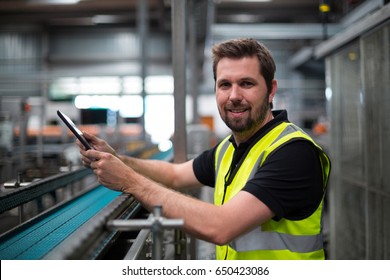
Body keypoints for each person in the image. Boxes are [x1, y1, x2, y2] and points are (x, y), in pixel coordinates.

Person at [78, 38, 331, 260]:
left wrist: (129, 181)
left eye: (246, 83)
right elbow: (176, 175)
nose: (234, 95)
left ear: (271, 90)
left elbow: (221, 227)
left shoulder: (294, 152)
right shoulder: (228, 148)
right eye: (224, 85)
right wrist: (118, 159)